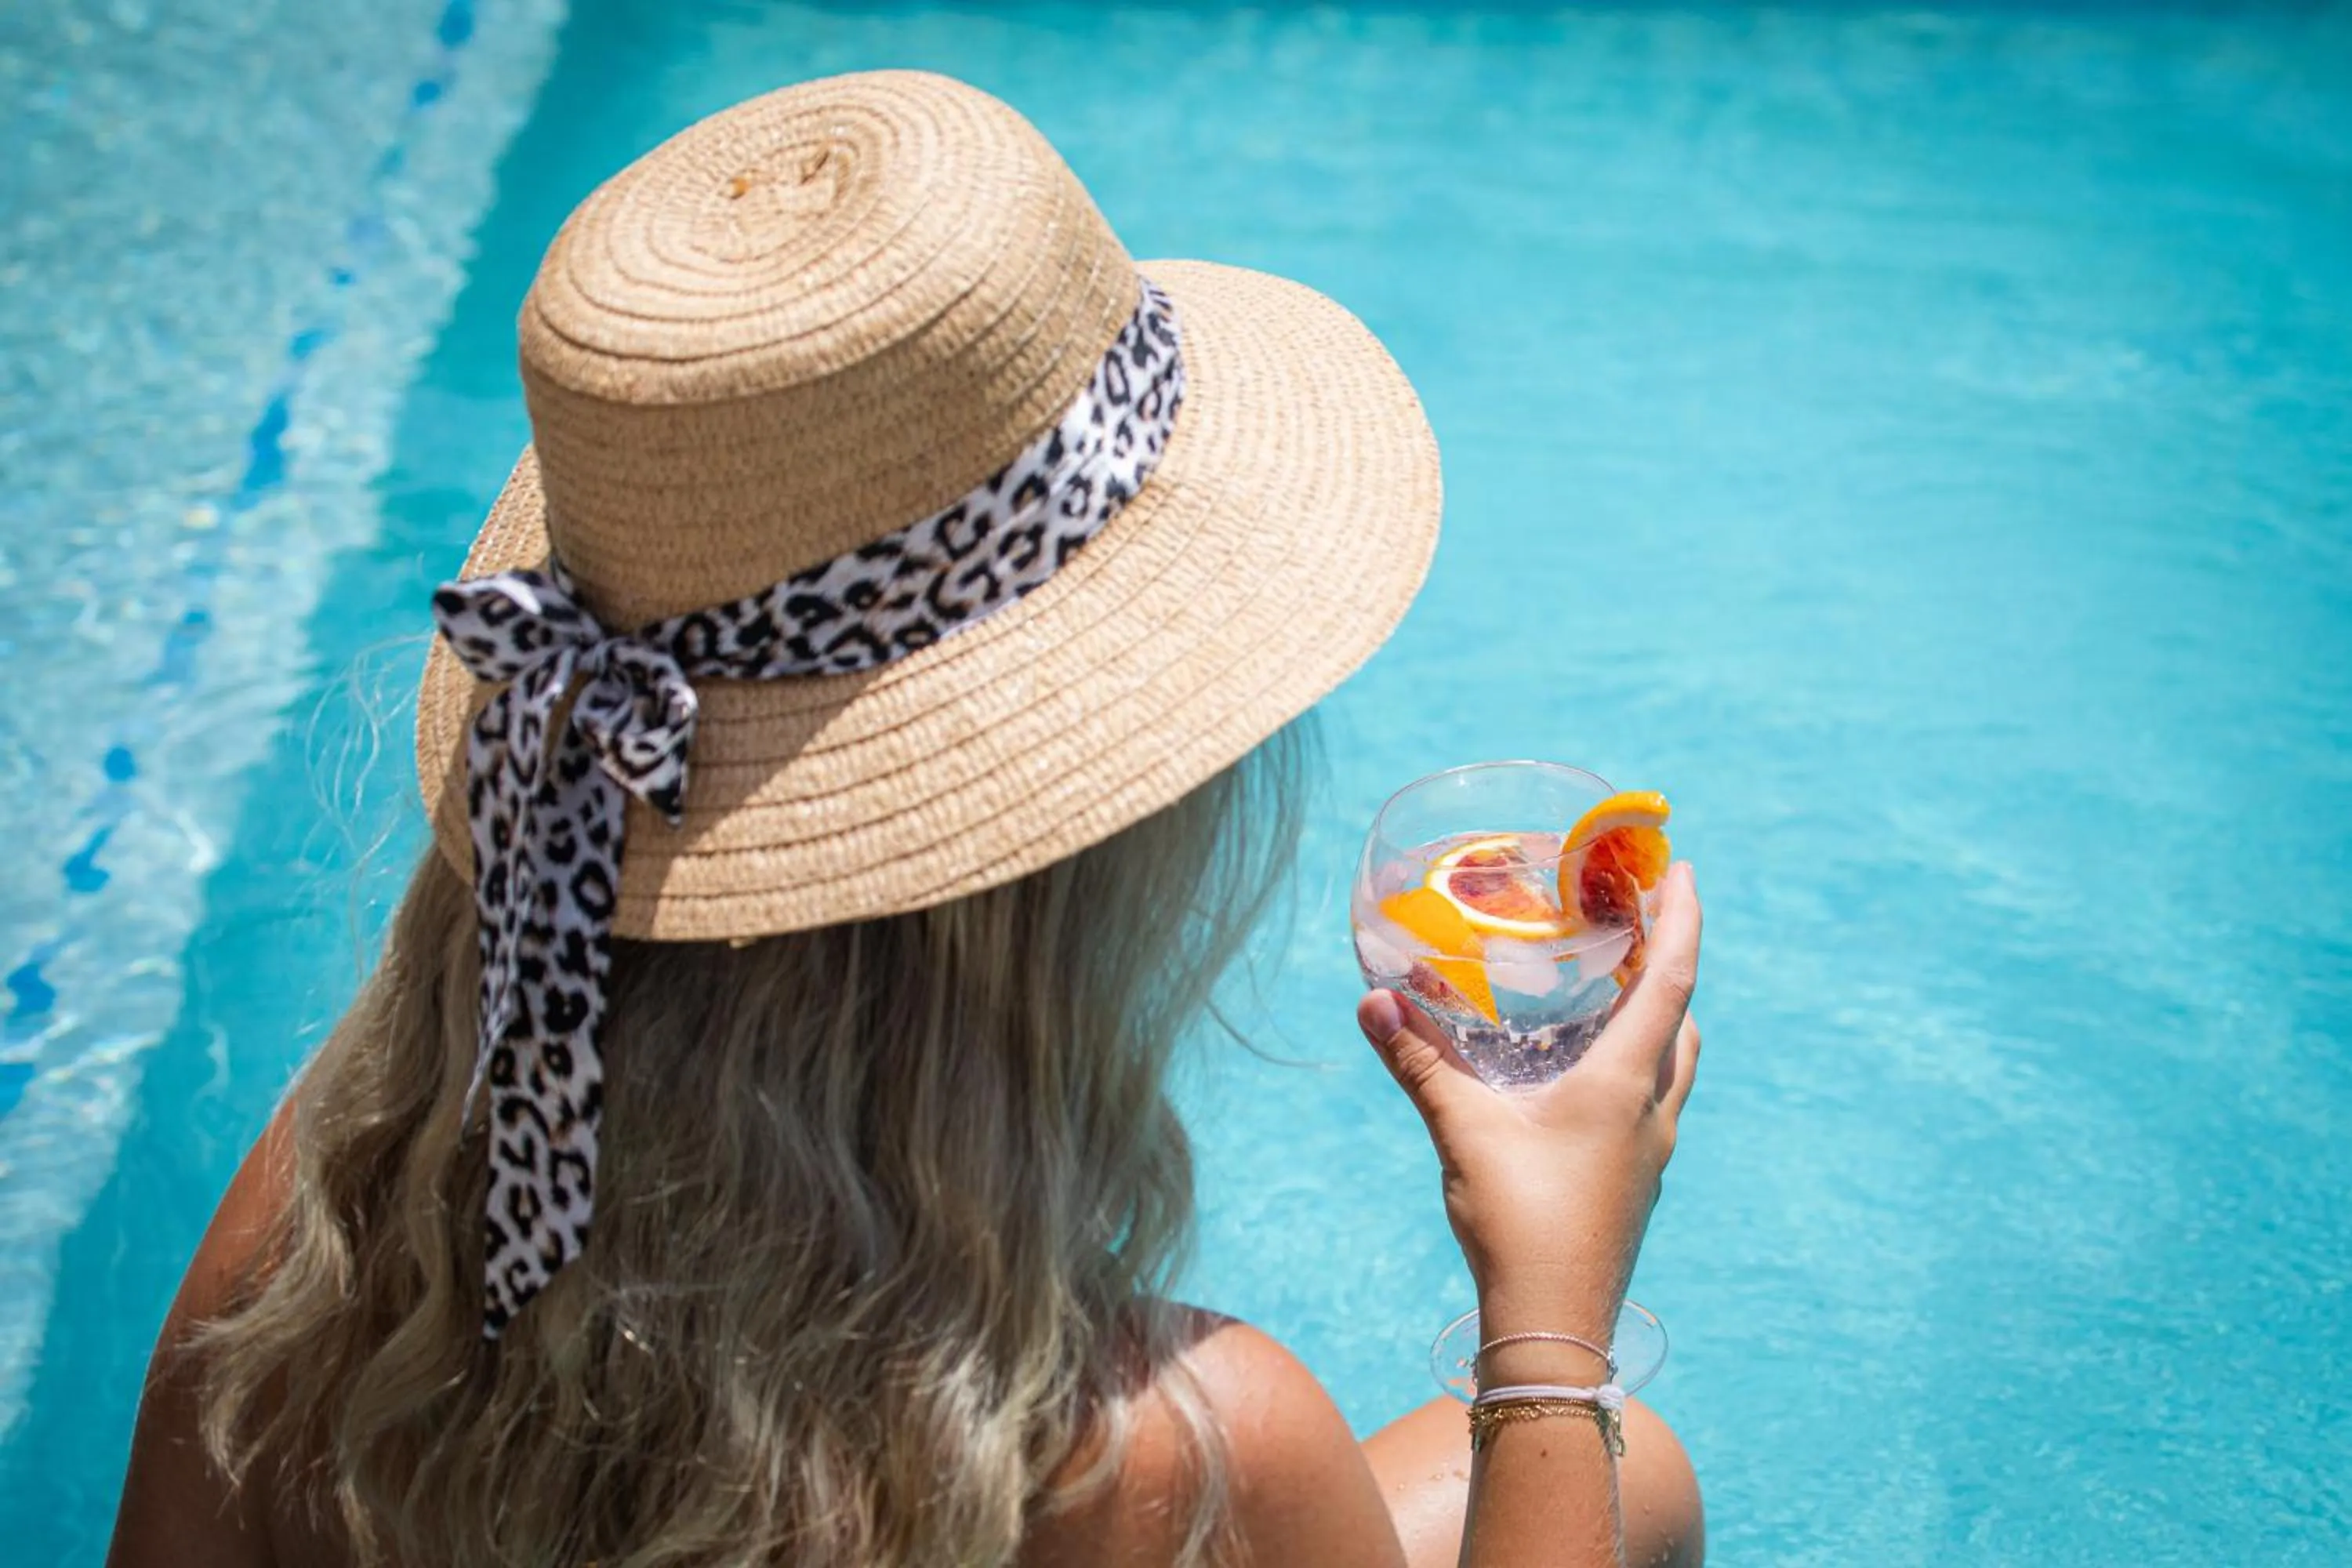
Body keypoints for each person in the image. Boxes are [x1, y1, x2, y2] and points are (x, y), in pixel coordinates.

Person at [107, 71, 1704, 1568]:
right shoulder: (1162, 1458)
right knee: (1615, 1468)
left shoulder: (323, 1228)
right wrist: (1551, 1302)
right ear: (1080, 845)